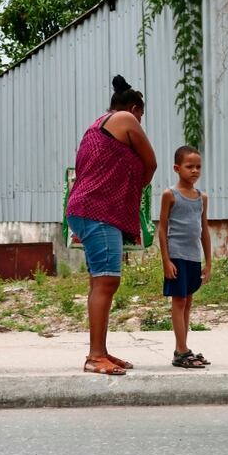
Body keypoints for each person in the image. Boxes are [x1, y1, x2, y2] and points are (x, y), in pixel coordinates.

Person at [66, 76, 156, 375]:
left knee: (100, 281)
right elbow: (151, 163)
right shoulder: (125, 119)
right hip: (98, 210)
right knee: (107, 281)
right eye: (141, 115)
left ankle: (101, 351)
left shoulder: (96, 125)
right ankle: (94, 356)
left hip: (86, 208)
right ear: (134, 108)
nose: (139, 122)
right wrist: (136, 189)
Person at [158, 145, 212, 368]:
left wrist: (208, 263)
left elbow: (204, 230)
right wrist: (166, 260)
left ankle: (183, 347)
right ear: (177, 168)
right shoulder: (170, 195)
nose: (195, 171)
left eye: (198, 166)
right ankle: (181, 351)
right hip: (177, 256)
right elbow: (162, 228)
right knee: (179, 301)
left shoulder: (202, 197)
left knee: (188, 301)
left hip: (193, 257)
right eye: (189, 166)